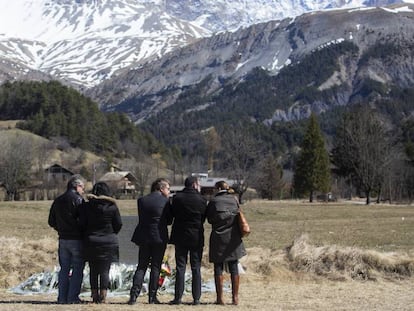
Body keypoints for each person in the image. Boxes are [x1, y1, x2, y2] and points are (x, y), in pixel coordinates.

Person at [128, 178, 172, 305]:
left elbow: (142, 218)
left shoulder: (142, 200)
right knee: (156, 267)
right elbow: (169, 220)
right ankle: (152, 296)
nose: (169, 191)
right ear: (161, 188)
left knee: (141, 266)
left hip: (144, 236)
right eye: (168, 188)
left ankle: (134, 295)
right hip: (159, 236)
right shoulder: (165, 202)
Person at [80, 182, 122, 304]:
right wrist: (111, 233)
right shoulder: (112, 207)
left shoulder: (87, 207)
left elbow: (82, 223)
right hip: (108, 241)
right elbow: (118, 224)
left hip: (91, 241)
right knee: (105, 270)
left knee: (93, 270)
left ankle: (94, 295)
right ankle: (103, 296)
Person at [206, 180, 246, 305]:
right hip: (233, 237)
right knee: (234, 267)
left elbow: (209, 219)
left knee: (218, 268)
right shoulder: (234, 199)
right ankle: (235, 298)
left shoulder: (213, 202)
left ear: (218, 189)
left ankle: (220, 298)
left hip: (218, 237)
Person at [169, 176, 207, 305]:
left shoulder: (177, 198)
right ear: (195, 185)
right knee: (196, 267)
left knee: (180, 267)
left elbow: (172, 214)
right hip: (196, 236)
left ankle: (178, 297)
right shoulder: (202, 200)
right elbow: (203, 218)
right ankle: (196, 298)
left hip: (180, 235)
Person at [48, 175, 86, 304]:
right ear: (77, 186)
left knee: (64, 269)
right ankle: (73, 297)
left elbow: (51, 221)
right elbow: (84, 220)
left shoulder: (58, 200)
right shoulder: (79, 200)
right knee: (77, 268)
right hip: (77, 239)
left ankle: (62, 297)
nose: (83, 191)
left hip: (63, 238)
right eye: (83, 187)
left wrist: (60, 228)